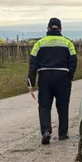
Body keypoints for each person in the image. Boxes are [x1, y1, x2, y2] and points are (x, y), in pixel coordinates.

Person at [28, 17, 78, 145]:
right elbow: (73, 61)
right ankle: (62, 134)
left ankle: (46, 131)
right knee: (63, 106)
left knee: (44, 106)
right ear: (60, 28)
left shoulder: (39, 43)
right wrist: (69, 76)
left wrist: (31, 82)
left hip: (45, 77)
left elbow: (33, 63)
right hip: (63, 77)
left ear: (48, 28)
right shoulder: (68, 43)